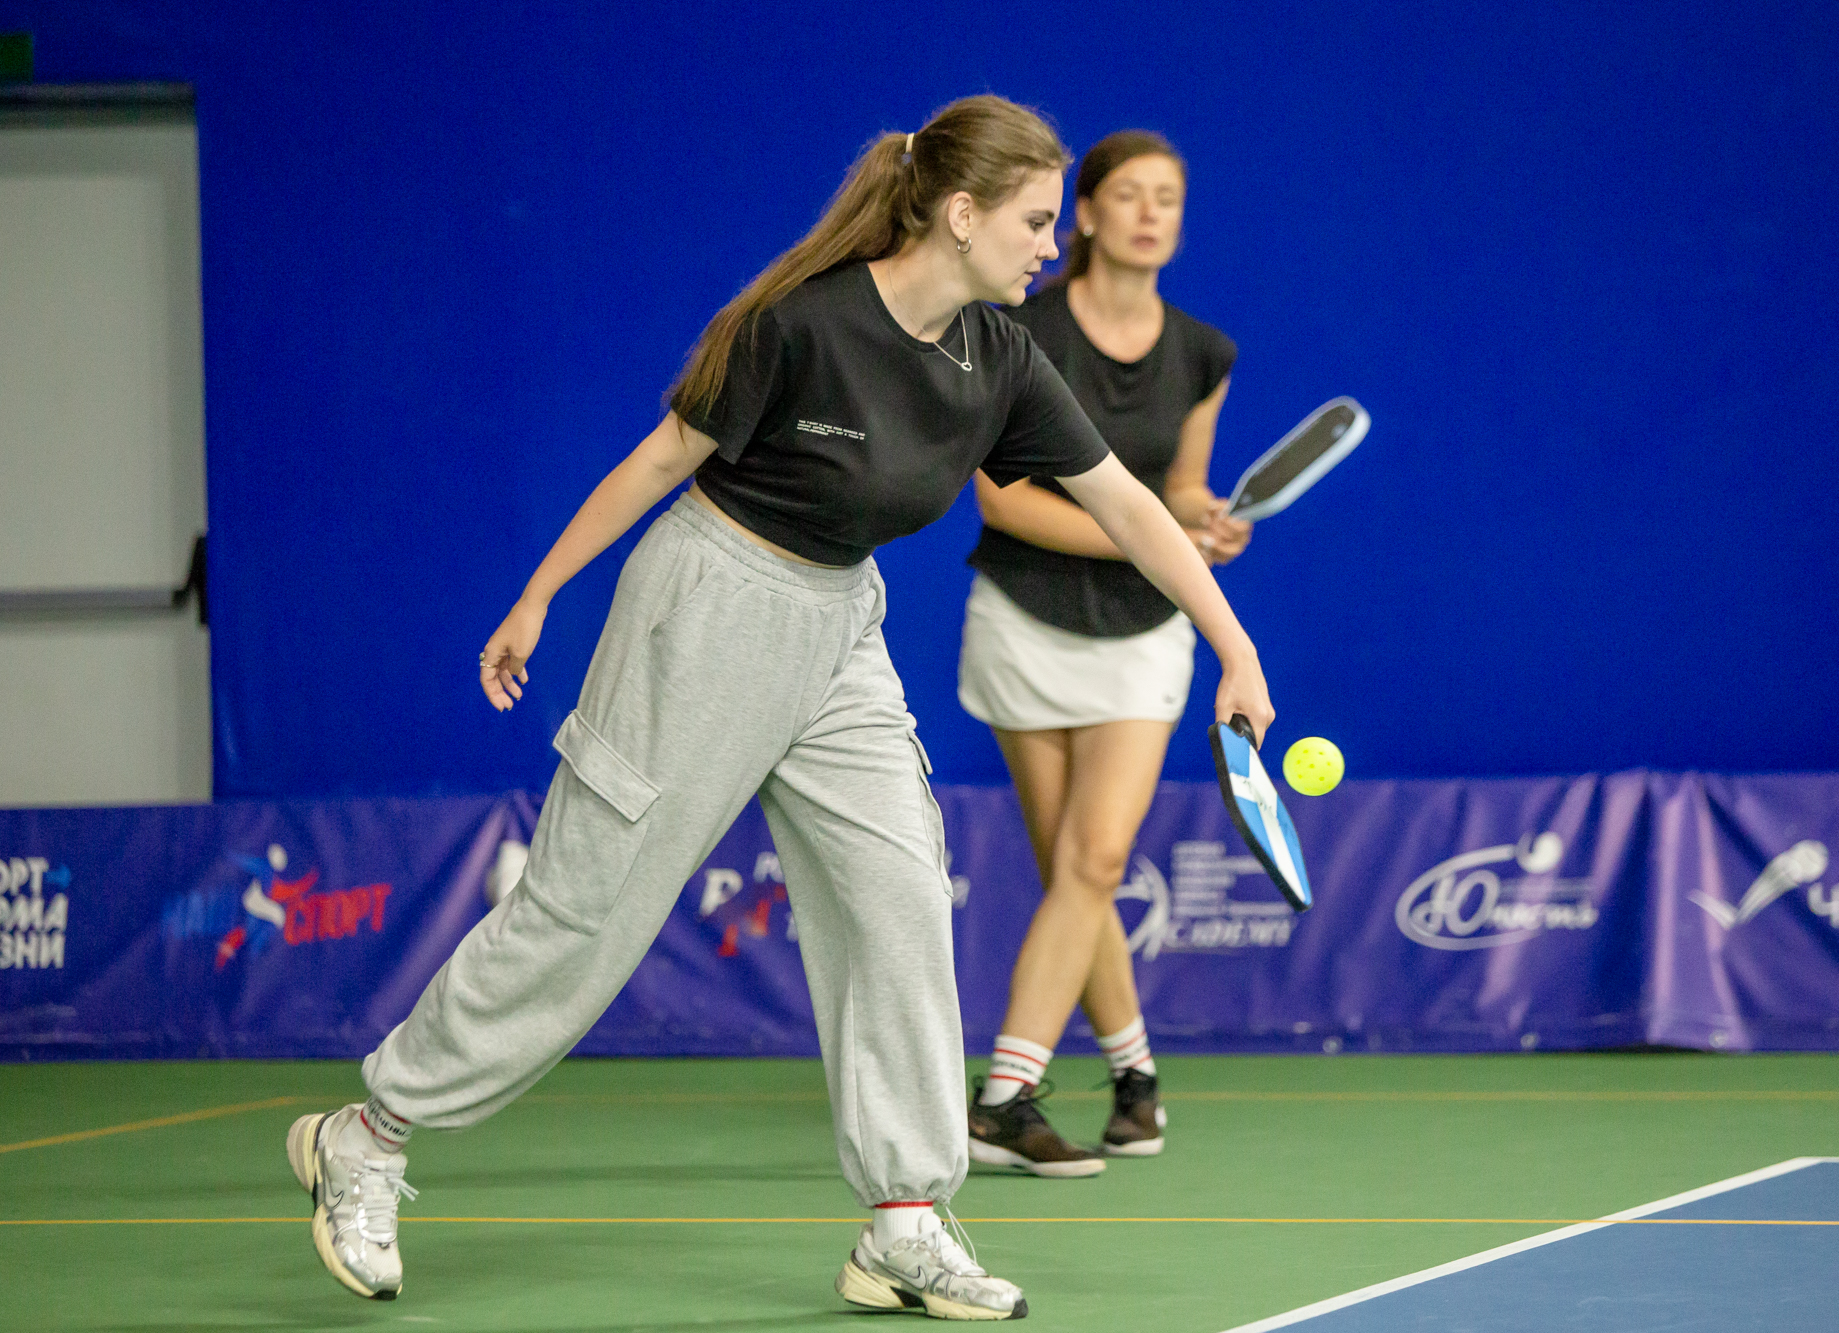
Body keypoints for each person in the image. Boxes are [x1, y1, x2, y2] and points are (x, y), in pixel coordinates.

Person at [283, 97, 1274, 1321]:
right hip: (703, 607)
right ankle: (370, 1132)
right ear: (961, 216)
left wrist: (1233, 648)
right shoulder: (798, 323)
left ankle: (904, 1219)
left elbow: (1124, 502)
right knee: (586, 912)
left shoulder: (1001, 358)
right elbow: (662, 458)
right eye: (1033, 221)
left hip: (838, 625)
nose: (1048, 243)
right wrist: (539, 594)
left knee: (898, 897)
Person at [958, 131, 1251, 1176]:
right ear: (1083, 213)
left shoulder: (1204, 354)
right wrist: (1150, 539)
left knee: (1093, 863)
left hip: (1142, 636)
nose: (1149, 212)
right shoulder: (1015, 332)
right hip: (1023, 619)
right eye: (1128, 194)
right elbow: (1001, 500)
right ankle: (1134, 1075)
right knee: (1069, 871)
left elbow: (1179, 486)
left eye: (1168, 196)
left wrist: (1197, 521)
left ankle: (1003, 1096)